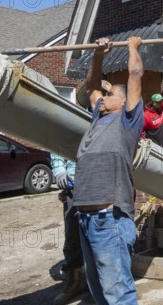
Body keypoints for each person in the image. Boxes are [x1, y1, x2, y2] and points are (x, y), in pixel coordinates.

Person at [73, 36, 144, 305]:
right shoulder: (97, 117)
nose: (103, 98)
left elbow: (135, 73)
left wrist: (132, 47)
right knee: (100, 293)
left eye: (110, 94)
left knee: (117, 293)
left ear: (125, 101)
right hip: (85, 219)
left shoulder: (127, 121)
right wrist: (99, 54)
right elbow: (92, 86)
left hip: (109, 220)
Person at [51, 154, 85, 305]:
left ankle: (98, 281)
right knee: (72, 236)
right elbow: (57, 144)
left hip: (97, 180)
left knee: (99, 235)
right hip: (74, 185)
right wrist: (59, 171)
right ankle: (74, 281)